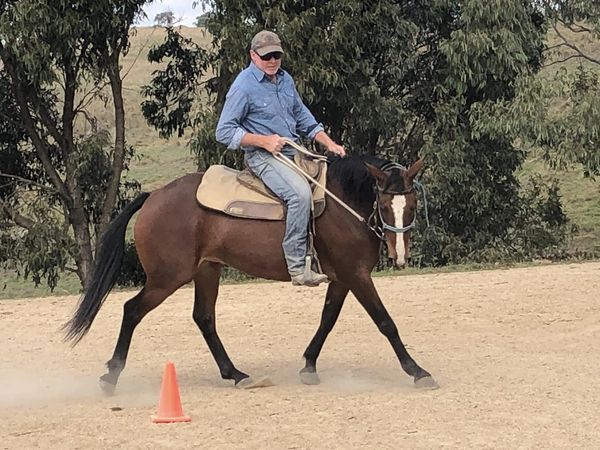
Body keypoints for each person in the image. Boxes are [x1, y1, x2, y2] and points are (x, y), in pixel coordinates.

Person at [216, 30, 346, 287]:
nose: (273, 60)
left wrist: (330, 144)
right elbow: (224, 131)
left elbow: (304, 118)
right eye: (266, 56)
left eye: (276, 55)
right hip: (262, 157)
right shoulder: (243, 86)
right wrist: (263, 141)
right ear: (253, 56)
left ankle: (320, 257)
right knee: (300, 195)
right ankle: (297, 265)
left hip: (293, 153)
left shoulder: (285, 81)